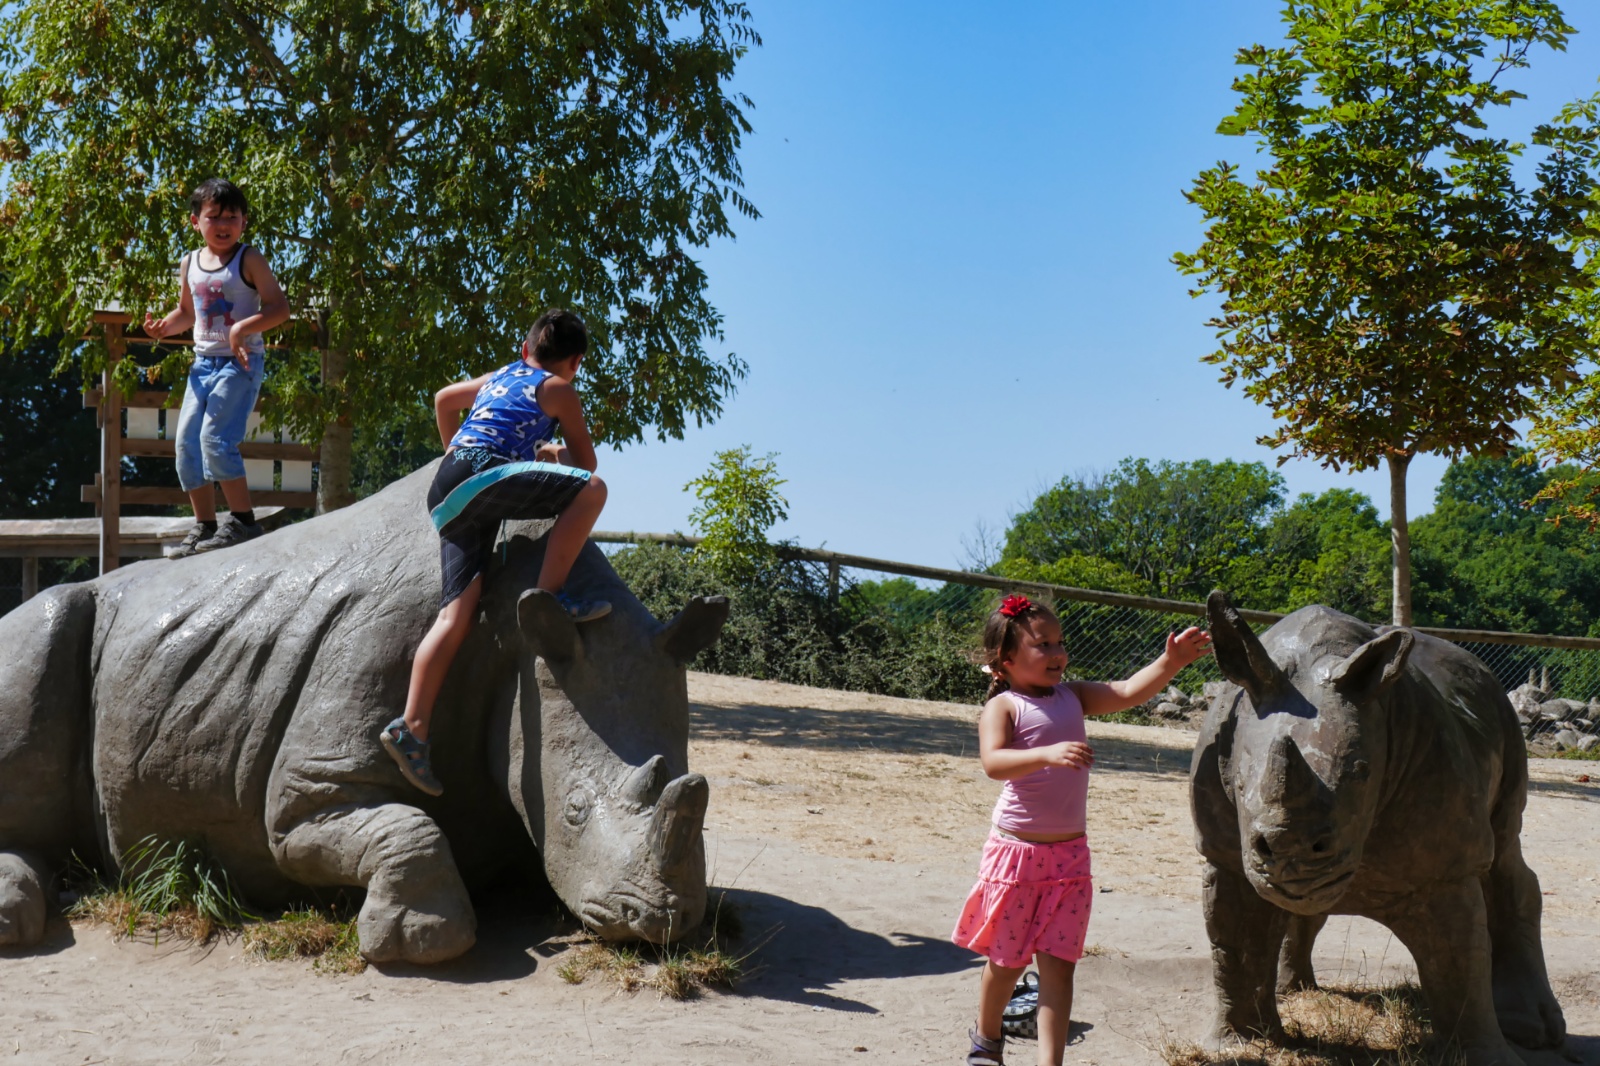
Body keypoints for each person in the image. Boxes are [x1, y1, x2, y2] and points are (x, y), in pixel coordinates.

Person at [954, 594, 1212, 1066]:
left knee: (1059, 968)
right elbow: (993, 763)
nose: (1058, 653)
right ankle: (987, 1041)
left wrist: (1170, 661)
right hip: (1017, 857)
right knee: (1008, 963)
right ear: (1006, 660)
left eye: (1060, 642)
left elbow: (1130, 691)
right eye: (1043, 645)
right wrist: (1046, 755)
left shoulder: (1073, 695)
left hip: (1070, 859)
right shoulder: (1005, 707)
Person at [379, 308, 611, 797]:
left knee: (456, 614)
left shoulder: (504, 374)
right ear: (576, 362)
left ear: (525, 350)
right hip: (484, 479)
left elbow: (444, 400)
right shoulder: (558, 388)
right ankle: (547, 596)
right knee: (592, 490)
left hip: (448, 489)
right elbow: (585, 462)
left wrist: (453, 457)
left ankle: (412, 727)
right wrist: (550, 454)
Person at [144, 178, 290, 557]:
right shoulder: (189, 262)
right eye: (214, 217)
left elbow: (279, 308)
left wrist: (243, 327)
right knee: (186, 446)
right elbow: (187, 313)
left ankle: (243, 522)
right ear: (196, 221)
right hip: (202, 365)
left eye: (232, 216)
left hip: (239, 364)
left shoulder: (249, 258)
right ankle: (206, 526)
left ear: (243, 221)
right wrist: (164, 328)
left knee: (216, 440)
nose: (224, 224)